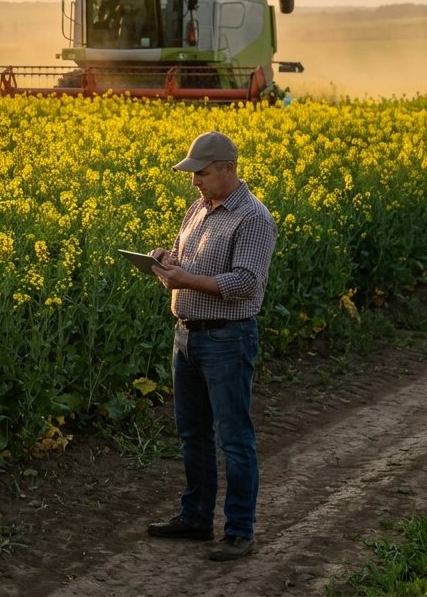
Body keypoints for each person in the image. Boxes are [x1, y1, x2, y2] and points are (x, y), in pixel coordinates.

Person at [145, 131, 277, 562]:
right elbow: (187, 263)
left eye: (201, 173)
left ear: (228, 168)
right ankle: (196, 518)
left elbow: (246, 282)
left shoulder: (253, 217)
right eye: (192, 174)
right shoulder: (199, 208)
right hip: (186, 335)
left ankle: (239, 531)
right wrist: (167, 262)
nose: (195, 181)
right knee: (193, 434)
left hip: (227, 338)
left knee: (234, 439)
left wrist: (185, 279)